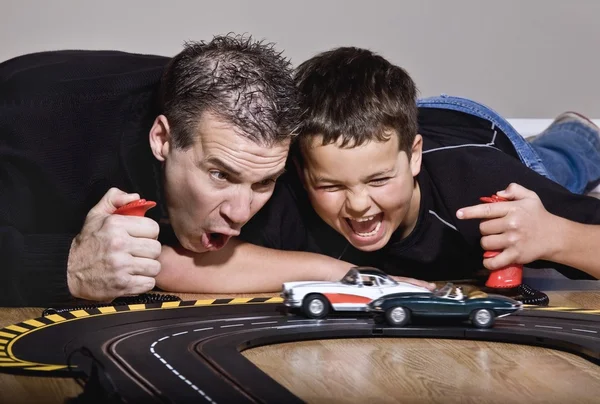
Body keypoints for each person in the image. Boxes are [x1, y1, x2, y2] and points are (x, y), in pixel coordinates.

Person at [157, 46, 600, 294]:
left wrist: (556, 236)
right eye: (330, 185)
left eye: (379, 181)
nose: (359, 205)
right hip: (390, 133)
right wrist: (336, 273)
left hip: (474, 131)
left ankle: (578, 139)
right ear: (301, 169)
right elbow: (171, 265)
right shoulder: (277, 188)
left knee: (556, 174)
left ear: (414, 158)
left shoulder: (478, 184)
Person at [0, 34, 302, 307]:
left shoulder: (263, 155)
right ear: (162, 139)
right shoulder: (29, 128)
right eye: (220, 175)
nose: (240, 213)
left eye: (264, 182)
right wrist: (69, 266)